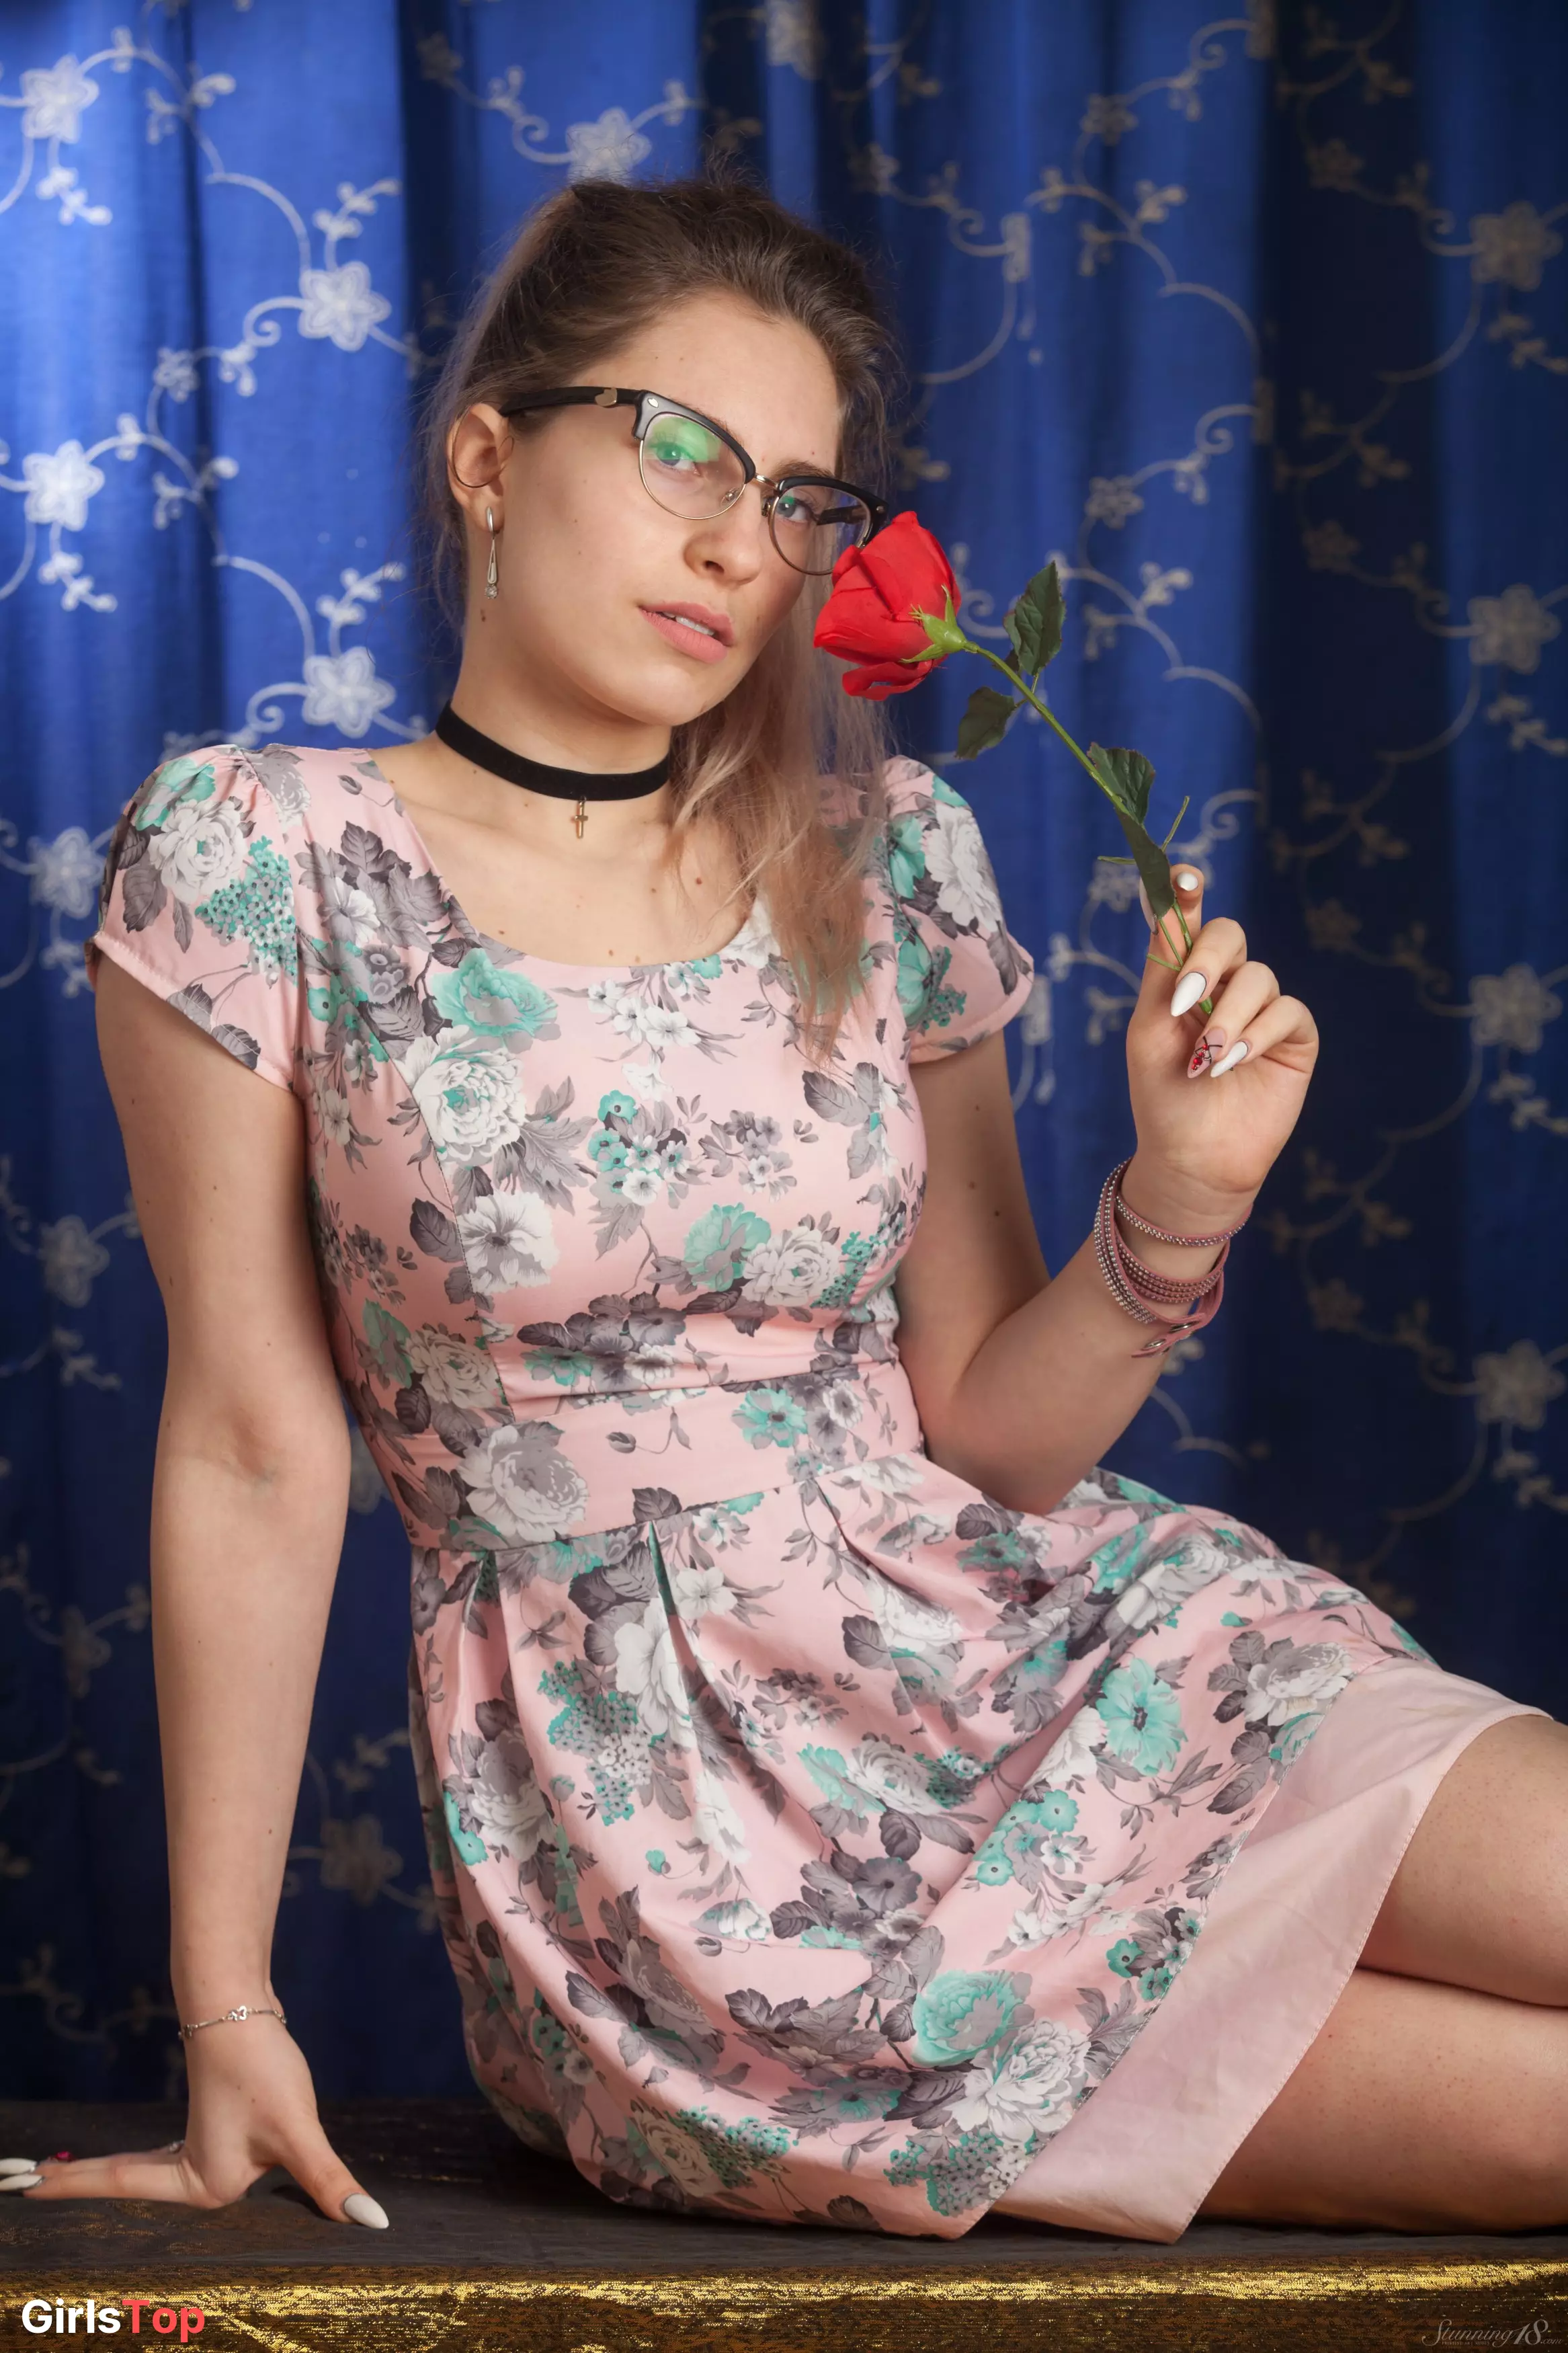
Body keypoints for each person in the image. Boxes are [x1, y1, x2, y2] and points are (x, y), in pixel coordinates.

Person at [19, 173, 1565, 2243]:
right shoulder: (253, 854)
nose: (740, 544)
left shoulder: (888, 853)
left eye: (799, 498)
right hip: (691, 1868)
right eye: (680, 448)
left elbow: (990, 1437)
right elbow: (247, 1439)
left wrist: (1178, 1202)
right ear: (487, 456)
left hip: (1047, 1665)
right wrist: (227, 2009)